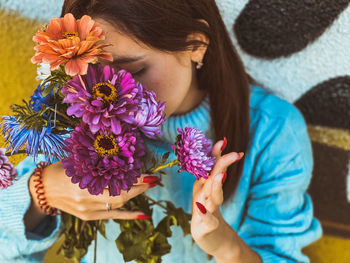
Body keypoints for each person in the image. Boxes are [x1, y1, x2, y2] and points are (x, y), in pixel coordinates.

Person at [0, 0, 323, 262]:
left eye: (133, 72)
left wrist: (224, 245)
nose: (105, 94)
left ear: (196, 45)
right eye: (90, 73)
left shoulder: (272, 128)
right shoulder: (72, 111)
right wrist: (39, 193)